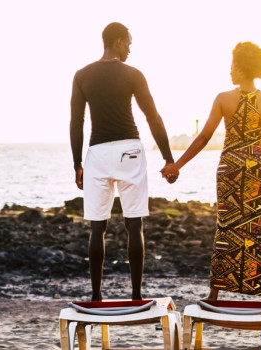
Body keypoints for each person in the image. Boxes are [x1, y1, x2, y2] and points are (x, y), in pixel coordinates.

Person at [161, 42, 261, 302]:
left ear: (240, 67)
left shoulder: (224, 99)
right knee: (260, 230)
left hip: (231, 171)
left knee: (226, 228)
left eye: (232, 66)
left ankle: (215, 293)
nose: (229, 72)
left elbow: (204, 137)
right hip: (259, 172)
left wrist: (176, 165)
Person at [70, 22, 176, 302]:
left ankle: (96, 296)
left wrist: (76, 163)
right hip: (129, 149)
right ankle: (137, 295)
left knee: (97, 226)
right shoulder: (133, 74)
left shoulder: (82, 75)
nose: (130, 48)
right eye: (128, 42)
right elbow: (153, 116)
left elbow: (76, 122)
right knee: (134, 224)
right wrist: (168, 158)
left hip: (98, 153)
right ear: (117, 42)